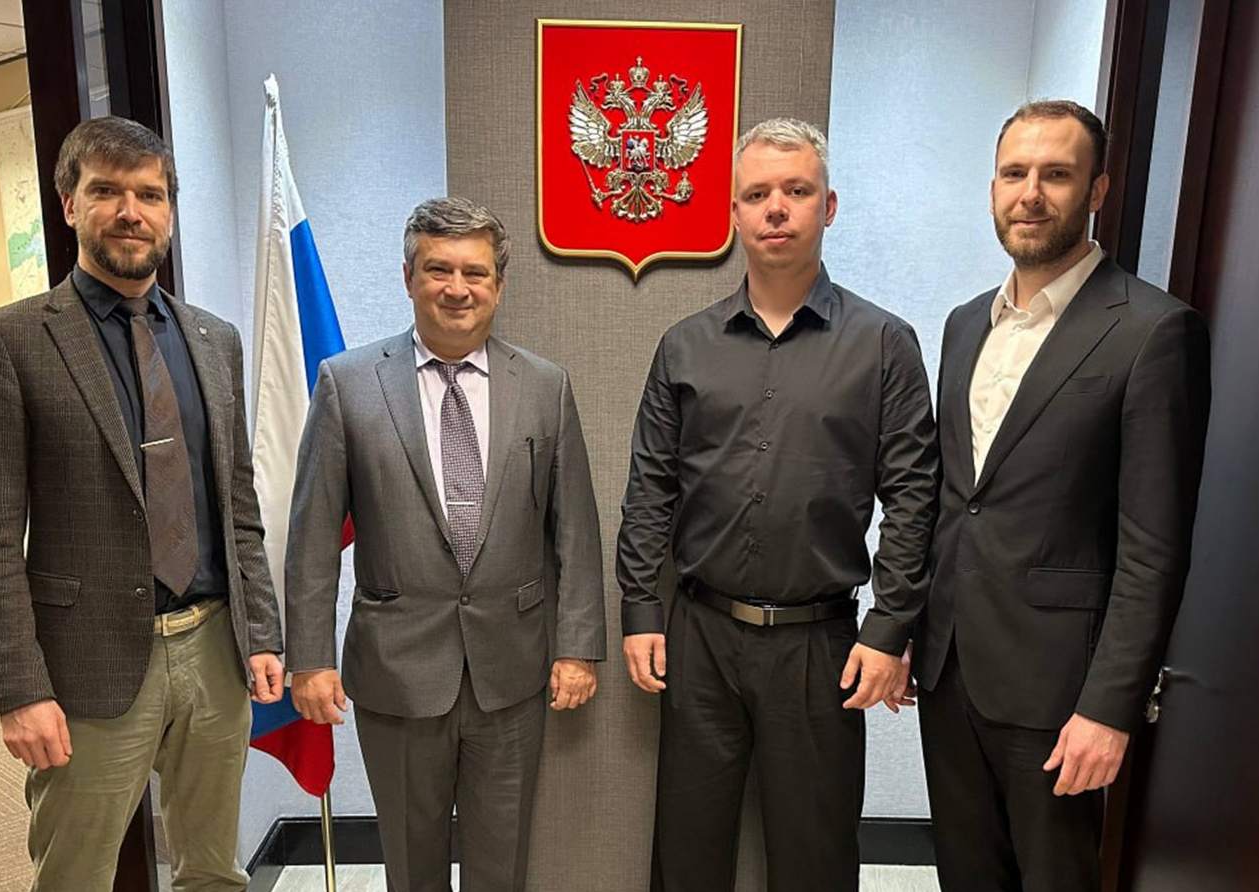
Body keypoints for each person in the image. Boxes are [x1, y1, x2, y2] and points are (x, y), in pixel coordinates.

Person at [0, 115, 284, 892]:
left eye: (150, 194)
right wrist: (20, 689)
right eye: (107, 192)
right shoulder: (10, 341)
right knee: (75, 876)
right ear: (70, 204)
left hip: (214, 652)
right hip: (87, 666)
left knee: (215, 871)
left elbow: (237, 506)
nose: (131, 212)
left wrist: (261, 632)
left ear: (169, 210)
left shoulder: (214, 340)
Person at [616, 118, 940, 892]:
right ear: (733, 211)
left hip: (821, 645)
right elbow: (651, 487)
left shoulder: (884, 344)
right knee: (688, 851)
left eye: (796, 190)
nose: (776, 208)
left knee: (815, 855)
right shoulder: (684, 346)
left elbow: (914, 496)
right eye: (757, 193)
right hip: (698, 636)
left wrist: (889, 627)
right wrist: (639, 609)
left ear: (829, 206)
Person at [907, 99, 1211, 892]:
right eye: (1014, 173)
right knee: (965, 876)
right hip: (949, 669)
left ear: (1097, 190)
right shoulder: (964, 325)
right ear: (993, 188)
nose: (1031, 194)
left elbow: (1154, 548)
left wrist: (1109, 707)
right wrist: (909, 628)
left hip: (1058, 690)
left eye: (1057, 175)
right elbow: (953, 501)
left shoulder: (1153, 331)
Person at [283, 197, 605, 892]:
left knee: (501, 866)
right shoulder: (347, 384)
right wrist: (308, 658)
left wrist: (578, 646)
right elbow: (311, 538)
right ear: (409, 278)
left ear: (499, 285)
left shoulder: (545, 387)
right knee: (412, 866)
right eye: (438, 270)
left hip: (511, 673)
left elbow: (576, 528)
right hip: (395, 672)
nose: (457, 288)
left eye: (475, 273)